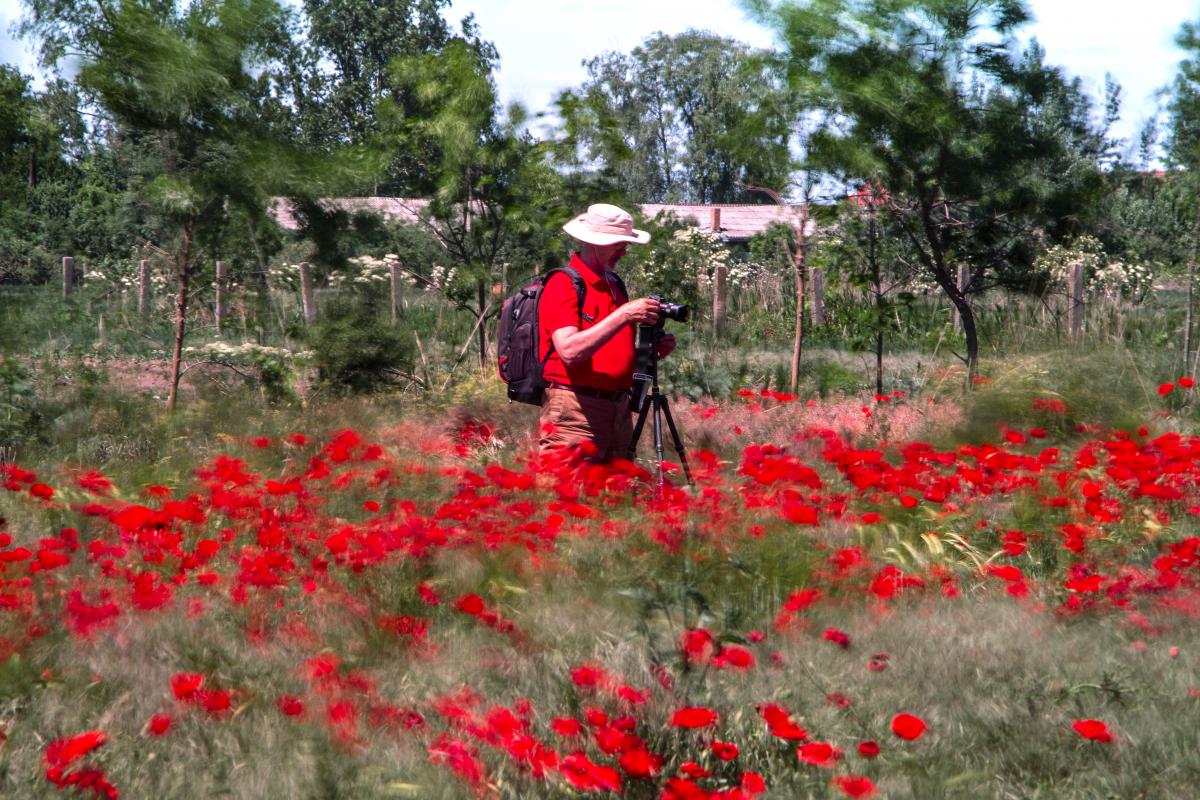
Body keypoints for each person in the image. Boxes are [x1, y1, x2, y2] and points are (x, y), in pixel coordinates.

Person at [538, 203, 676, 461]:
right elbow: (569, 350)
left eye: (625, 244)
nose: (624, 251)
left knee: (613, 498)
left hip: (618, 411)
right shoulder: (564, 283)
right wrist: (623, 315)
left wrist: (648, 355)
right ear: (594, 242)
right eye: (617, 244)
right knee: (568, 496)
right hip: (574, 410)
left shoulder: (614, 284)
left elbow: (608, 354)